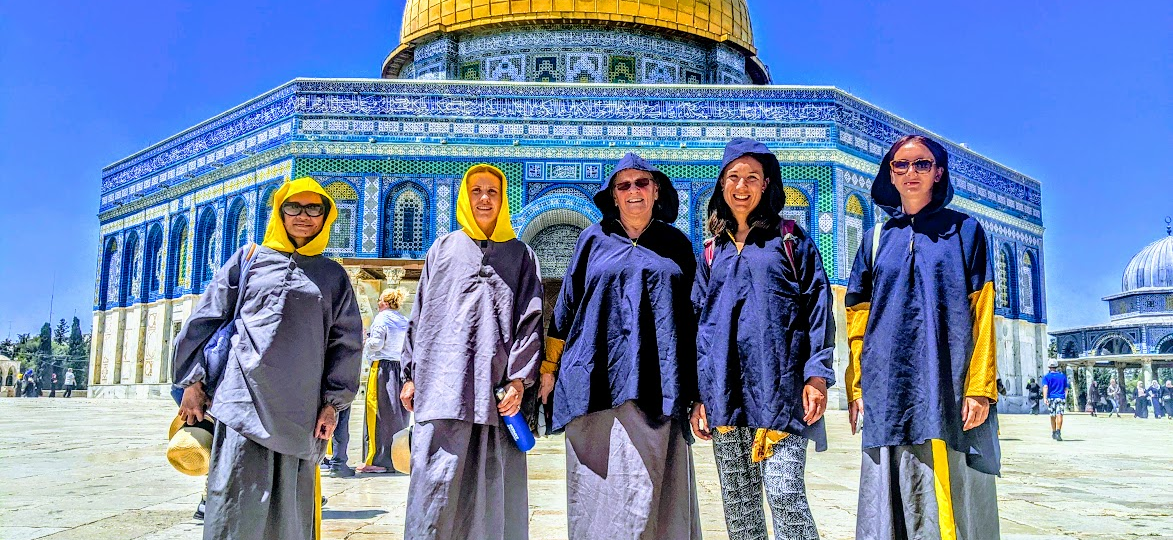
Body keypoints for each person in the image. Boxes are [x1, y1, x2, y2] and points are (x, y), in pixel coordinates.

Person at [172, 177, 364, 540]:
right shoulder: (249, 259)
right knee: (235, 500)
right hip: (241, 400)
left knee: (288, 510)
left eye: (314, 209)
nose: (303, 216)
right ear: (280, 211)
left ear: (326, 216)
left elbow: (347, 345)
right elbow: (204, 319)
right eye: (293, 207)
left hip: (300, 410)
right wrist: (192, 383)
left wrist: (332, 405)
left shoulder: (333, 276)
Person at [845, 134, 1000, 539]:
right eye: (901, 165)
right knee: (887, 497)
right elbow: (858, 321)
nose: (911, 173)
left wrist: (980, 386)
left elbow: (981, 312)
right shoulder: (875, 240)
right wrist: (857, 386)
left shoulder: (965, 232)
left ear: (939, 173)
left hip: (945, 385)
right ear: (889, 175)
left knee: (946, 494)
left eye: (922, 164)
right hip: (887, 388)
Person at [539, 153, 701, 539]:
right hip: (594, 384)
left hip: (657, 387)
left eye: (641, 183)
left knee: (652, 491)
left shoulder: (677, 244)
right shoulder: (592, 239)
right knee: (599, 496)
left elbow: (695, 317)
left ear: (656, 190)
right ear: (613, 196)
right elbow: (566, 309)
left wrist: (701, 391)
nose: (633, 192)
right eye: (623, 185)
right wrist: (549, 370)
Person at [690, 139, 835, 540]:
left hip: (781, 390)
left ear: (766, 184)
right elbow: (699, 326)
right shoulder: (709, 251)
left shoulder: (790, 239)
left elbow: (818, 306)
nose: (742, 186)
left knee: (786, 494)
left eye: (751, 177)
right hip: (725, 393)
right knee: (739, 508)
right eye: (733, 177)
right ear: (721, 186)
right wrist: (699, 395)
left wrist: (817, 374)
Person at [399, 164, 544, 540]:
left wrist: (517, 380)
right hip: (441, 387)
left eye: (493, 192)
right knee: (435, 490)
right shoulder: (442, 249)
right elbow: (420, 314)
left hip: (495, 396)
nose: (484, 198)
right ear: (465, 196)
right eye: (477, 190)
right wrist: (410, 374)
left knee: (491, 491)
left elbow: (530, 320)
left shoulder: (521, 255)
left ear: (503, 200)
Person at [357, 287, 411, 473]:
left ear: (385, 302)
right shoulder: (403, 319)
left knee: (377, 414)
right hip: (400, 369)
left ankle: (377, 459)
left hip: (382, 368)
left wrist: (366, 340)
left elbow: (377, 343)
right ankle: (397, 457)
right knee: (396, 415)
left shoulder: (382, 318)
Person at [1041, 361, 1068, 440]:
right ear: (1056, 366)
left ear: (1049, 367)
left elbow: (1045, 387)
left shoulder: (1046, 377)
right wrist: (1064, 397)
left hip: (1051, 398)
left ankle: (1053, 432)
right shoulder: (1062, 376)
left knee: (1052, 415)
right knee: (1059, 414)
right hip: (1060, 397)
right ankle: (1058, 431)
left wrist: (1045, 398)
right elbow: (1066, 388)